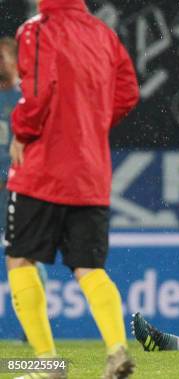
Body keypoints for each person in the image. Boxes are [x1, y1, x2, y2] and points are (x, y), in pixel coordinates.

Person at [5, 0, 139, 378]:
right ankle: (116, 349)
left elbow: (37, 90)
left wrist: (23, 131)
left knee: (20, 258)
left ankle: (49, 366)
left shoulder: (36, 29)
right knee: (89, 267)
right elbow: (128, 92)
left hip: (43, 168)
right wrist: (89, 121)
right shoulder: (104, 34)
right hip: (90, 171)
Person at [0, 35, 49, 343]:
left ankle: (34, 332)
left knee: (26, 256)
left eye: (2, 56)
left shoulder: (28, 94)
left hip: (22, 186)